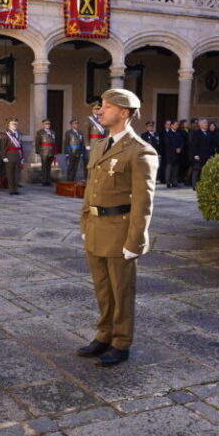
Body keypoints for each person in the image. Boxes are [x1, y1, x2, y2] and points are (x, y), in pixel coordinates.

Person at [76, 88, 158, 367]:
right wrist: (85, 220)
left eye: (107, 107)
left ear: (124, 113)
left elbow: (143, 202)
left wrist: (135, 240)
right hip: (96, 228)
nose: (100, 111)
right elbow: (90, 190)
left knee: (121, 290)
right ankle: (104, 334)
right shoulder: (100, 146)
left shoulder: (140, 152)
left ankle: (121, 342)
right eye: (101, 106)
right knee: (102, 288)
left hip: (120, 230)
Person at [0, 118, 24, 194]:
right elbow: (3, 147)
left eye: (16, 124)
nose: (14, 125)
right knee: (10, 173)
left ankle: (16, 189)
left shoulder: (19, 133)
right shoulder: (5, 134)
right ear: (9, 125)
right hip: (9, 155)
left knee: (17, 174)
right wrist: (4, 157)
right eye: (13, 124)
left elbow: (21, 146)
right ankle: (11, 190)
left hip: (18, 155)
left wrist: (22, 156)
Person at [188, 117, 213, 190]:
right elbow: (193, 145)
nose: (206, 124)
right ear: (200, 124)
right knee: (196, 170)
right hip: (198, 155)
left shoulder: (209, 133)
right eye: (205, 123)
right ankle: (194, 185)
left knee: (205, 171)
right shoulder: (196, 133)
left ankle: (203, 185)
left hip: (207, 155)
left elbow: (211, 145)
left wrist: (211, 154)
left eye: (206, 123)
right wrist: (195, 154)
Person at [34, 118, 57, 185]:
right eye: (46, 124)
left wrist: (55, 151)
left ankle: (48, 180)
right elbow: (37, 142)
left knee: (49, 166)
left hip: (51, 151)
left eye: (49, 124)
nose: (48, 125)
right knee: (44, 166)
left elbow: (54, 142)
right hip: (44, 151)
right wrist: (37, 151)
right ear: (43, 124)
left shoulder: (52, 132)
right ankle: (44, 180)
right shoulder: (40, 132)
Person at [162, 119, 184, 187]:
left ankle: (175, 182)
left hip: (177, 154)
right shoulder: (168, 134)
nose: (177, 126)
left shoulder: (178, 133)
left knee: (176, 169)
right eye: (175, 125)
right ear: (171, 125)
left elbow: (182, 142)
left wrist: (180, 148)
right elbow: (168, 144)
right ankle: (168, 182)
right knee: (169, 168)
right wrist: (175, 149)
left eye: (177, 125)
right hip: (170, 154)